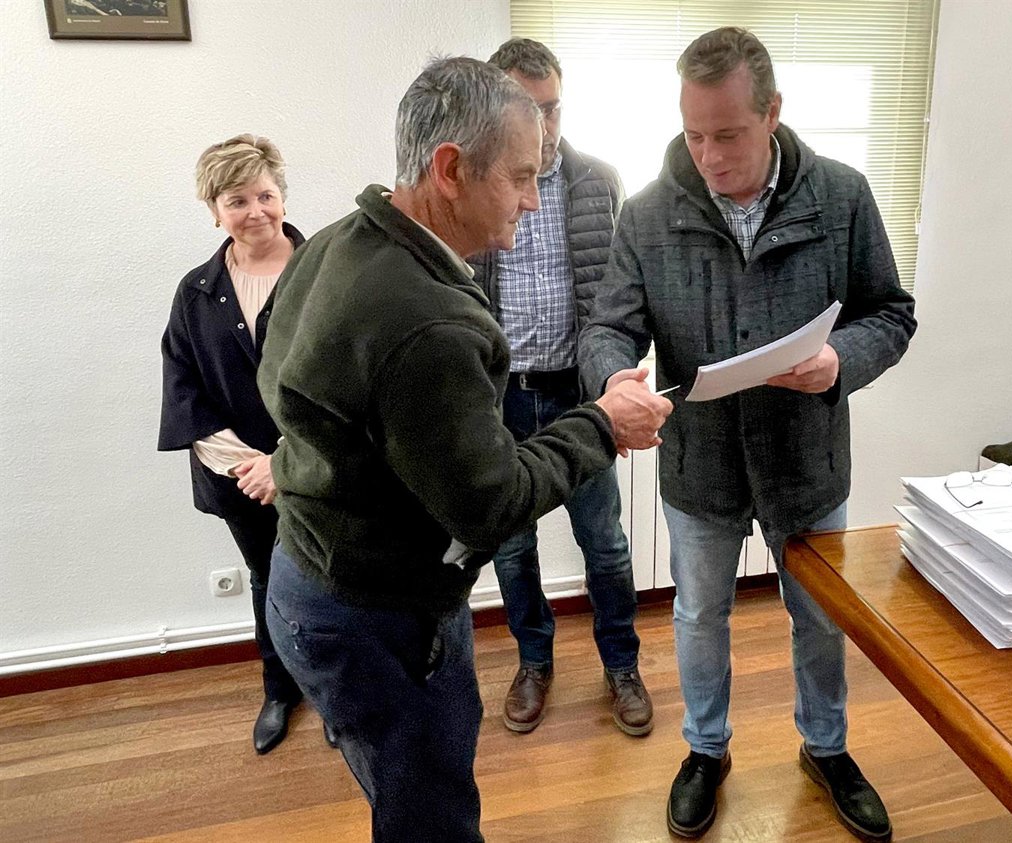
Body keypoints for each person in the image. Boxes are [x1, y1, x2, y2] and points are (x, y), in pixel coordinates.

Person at [257, 58, 673, 842]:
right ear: (450, 170)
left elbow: (275, 376)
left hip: (308, 575)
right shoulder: (430, 322)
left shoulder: (337, 241)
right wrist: (604, 423)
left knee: (401, 783)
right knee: (430, 816)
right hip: (375, 614)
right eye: (519, 176)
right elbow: (492, 505)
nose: (531, 198)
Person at [578, 28, 917, 842]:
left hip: (806, 460)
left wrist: (838, 361)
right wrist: (614, 378)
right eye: (694, 135)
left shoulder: (842, 197)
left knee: (822, 617)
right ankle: (705, 748)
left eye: (728, 134)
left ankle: (827, 747)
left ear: (772, 113)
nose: (710, 156)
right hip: (701, 465)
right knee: (700, 616)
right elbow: (607, 327)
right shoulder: (647, 213)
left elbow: (891, 313)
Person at [466, 37, 651, 737]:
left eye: (553, 108)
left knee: (605, 542)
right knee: (512, 546)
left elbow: (624, 301)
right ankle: (534, 662)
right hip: (500, 400)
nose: (545, 125)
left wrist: (614, 385)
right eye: (528, 108)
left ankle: (622, 665)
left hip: (579, 397)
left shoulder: (600, 181)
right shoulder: (475, 186)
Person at [157, 134, 336, 755]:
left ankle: (335, 694)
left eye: (265, 195)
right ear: (215, 211)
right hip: (241, 480)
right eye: (237, 200)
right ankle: (280, 689)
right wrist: (252, 468)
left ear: (282, 195)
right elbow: (183, 392)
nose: (256, 211)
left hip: (324, 471)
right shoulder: (196, 293)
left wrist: (287, 464)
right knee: (268, 581)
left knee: (330, 582)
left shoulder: (329, 275)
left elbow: (353, 379)